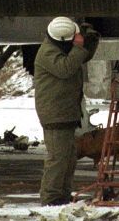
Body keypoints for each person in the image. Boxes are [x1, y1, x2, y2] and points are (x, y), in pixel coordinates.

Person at [34, 16, 99, 205]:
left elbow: (81, 57)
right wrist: (79, 46)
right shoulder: (47, 52)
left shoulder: (61, 49)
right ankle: (51, 198)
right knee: (58, 159)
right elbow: (66, 68)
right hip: (55, 114)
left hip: (65, 111)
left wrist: (91, 41)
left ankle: (62, 195)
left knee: (68, 159)